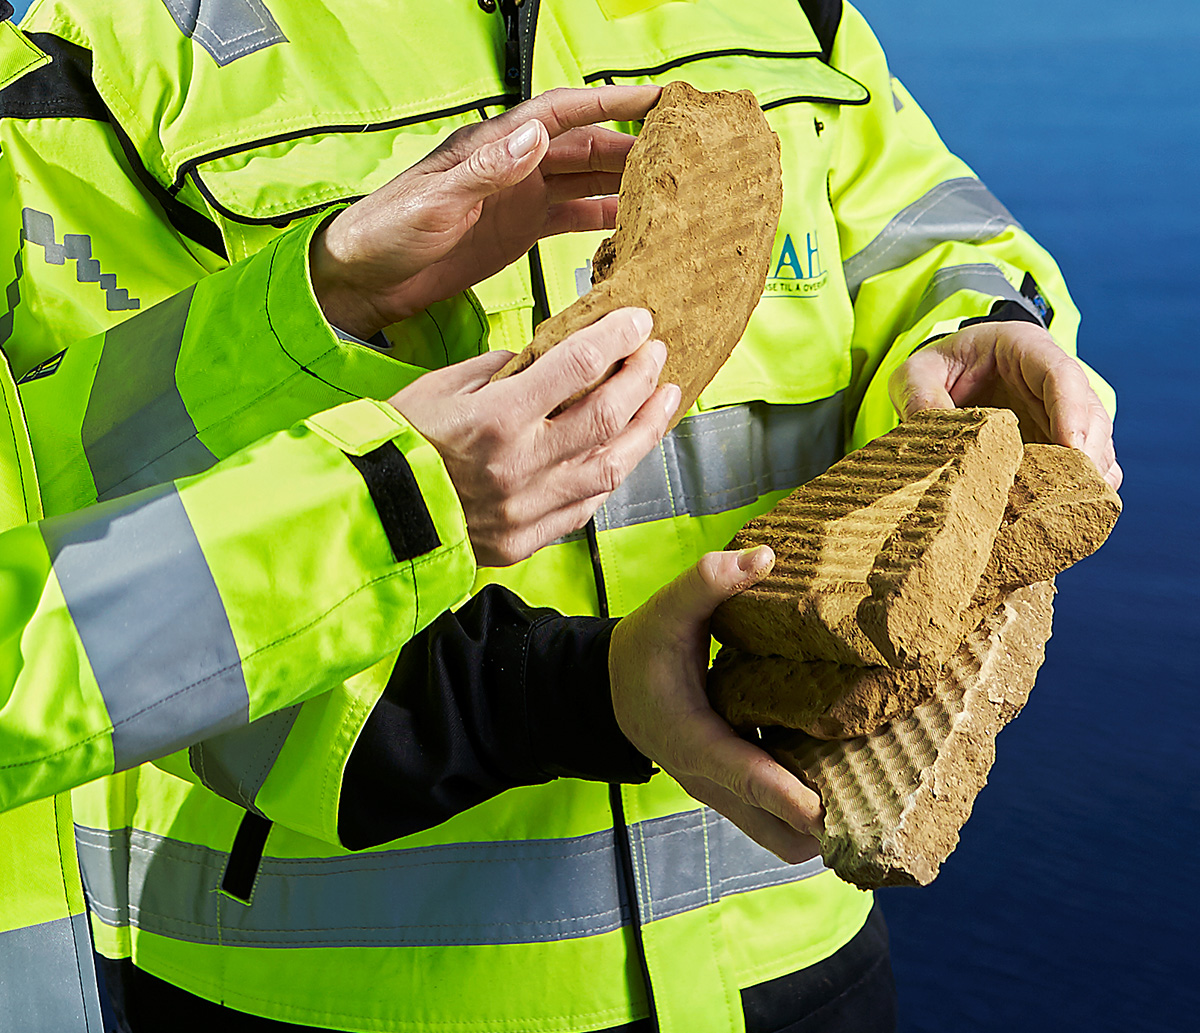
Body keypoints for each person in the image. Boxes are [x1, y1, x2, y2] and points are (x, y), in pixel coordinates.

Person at [1, 1, 1121, 1031]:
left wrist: (972, 322)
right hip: (354, 989)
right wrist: (570, 693)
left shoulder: (792, 8)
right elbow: (120, 585)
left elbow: (910, 222)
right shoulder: (113, 54)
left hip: (789, 948)